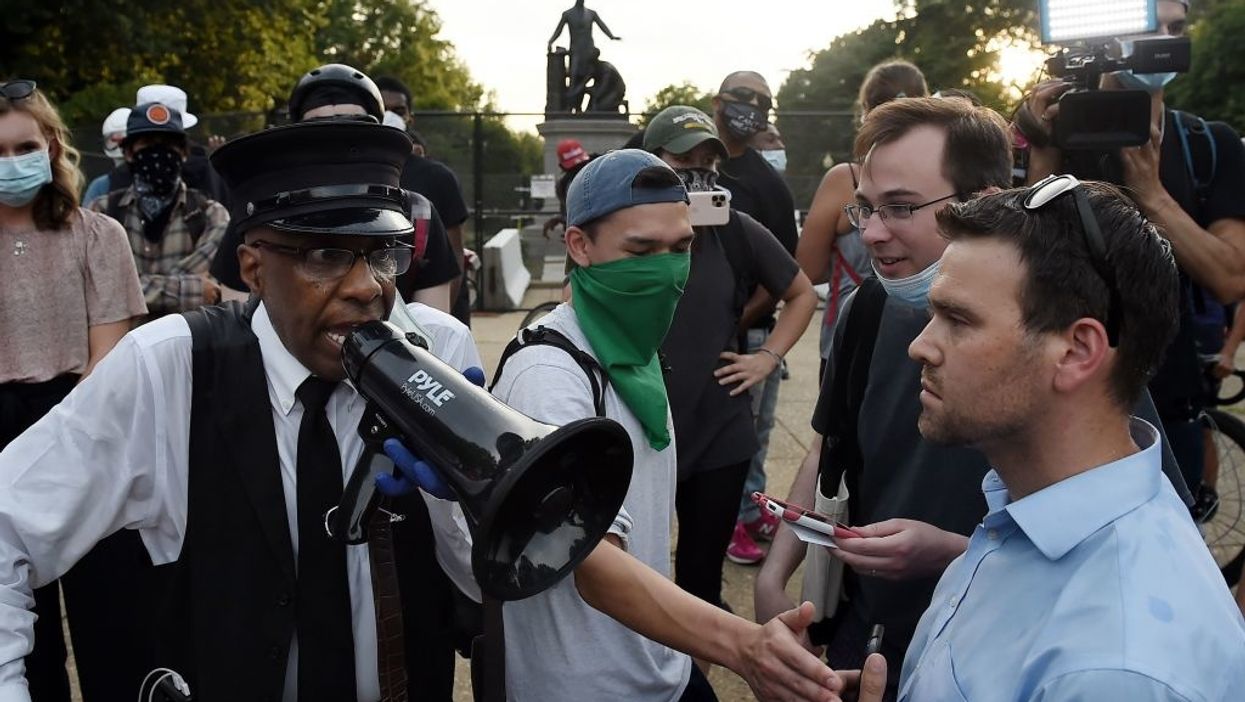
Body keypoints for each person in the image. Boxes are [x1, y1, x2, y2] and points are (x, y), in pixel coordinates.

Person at [0, 120, 481, 701]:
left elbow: (487, 587)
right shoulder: (170, 366)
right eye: (326, 255)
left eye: (383, 255)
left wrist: (471, 497)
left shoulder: (438, 353)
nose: (366, 287)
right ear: (254, 270)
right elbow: (10, 528)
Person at [754, 97, 1190, 700]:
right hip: (870, 637)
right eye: (865, 208)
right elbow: (831, 441)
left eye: (901, 207)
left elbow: (1127, 531)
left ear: (982, 198)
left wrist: (954, 553)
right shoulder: (866, 310)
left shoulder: (1056, 329)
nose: (872, 232)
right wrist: (776, 578)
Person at [490, 149, 843, 702]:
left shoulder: (634, 353)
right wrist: (745, 647)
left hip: (657, 667)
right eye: (641, 250)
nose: (665, 269)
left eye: (681, 248)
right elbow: (594, 562)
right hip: (588, 686)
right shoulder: (549, 374)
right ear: (580, 246)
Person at [898, 177, 1245, 701]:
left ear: (1077, 352)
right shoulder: (1032, 510)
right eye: (933, 314)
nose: (919, 347)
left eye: (957, 319)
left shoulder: (1115, 669)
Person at [1018, 0, 1245, 517]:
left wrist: (1151, 192)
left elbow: (1232, 277)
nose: (1165, 37)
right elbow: (1029, 265)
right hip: (1064, 401)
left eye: (1176, 26)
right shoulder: (1053, 136)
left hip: (1173, 401)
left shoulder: (1212, 146)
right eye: (1149, 23)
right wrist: (1046, 154)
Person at [740, 61, 927, 564]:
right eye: (868, 213)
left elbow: (809, 267)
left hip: (857, 336)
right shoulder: (935, 173)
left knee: (844, 448)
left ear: (863, 112)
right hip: (909, 329)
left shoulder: (845, 178)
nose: (877, 229)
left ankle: (847, 549)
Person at [0, 78, 147, 702]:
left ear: (54, 145)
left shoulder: (99, 236)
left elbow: (108, 352)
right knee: (18, 627)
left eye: (24, 147)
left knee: (111, 615)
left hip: (83, 425)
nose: (12, 164)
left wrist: (67, 445)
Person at [643, 106, 817, 593]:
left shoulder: (735, 230)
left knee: (701, 574)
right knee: (638, 569)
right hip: (644, 427)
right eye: (684, 161)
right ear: (650, 163)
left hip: (719, 429)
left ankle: (695, 654)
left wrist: (767, 357)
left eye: (708, 163)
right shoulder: (625, 231)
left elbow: (801, 292)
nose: (699, 173)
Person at [208, 65, 462, 312]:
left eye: (354, 125)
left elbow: (432, 331)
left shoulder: (418, 216)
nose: (336, 139)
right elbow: (239, 323)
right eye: (319, 129)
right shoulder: (259, 215)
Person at [709, 70, 801, 571]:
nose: (751, 106)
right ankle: (731, 517)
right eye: (742, 97)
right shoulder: (684, 165)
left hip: (750, 336)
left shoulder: (768, 186)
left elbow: (785, 274)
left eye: (762, 100)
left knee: (754, 433)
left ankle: (746, 512)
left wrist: (737, 322)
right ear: (717, 101)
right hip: (682, 335)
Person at [89, 102, 228, 318]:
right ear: (128, 153)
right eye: (147, 143)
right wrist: (190, 290)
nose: (158, 153)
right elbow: (99, 288)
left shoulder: (211, 216)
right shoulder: (103, 213)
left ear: (183, 153)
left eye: (168, 144)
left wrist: (130, 286)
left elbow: (212, 291)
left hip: (191, 349)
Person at [375, 76, 473, 324]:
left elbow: (454, 254)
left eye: (398, 110)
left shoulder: (438, 178)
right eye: (383, 109)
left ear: (410, 117)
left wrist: (438, 326)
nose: (390, 116)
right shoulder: (352, 176)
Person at [546, 0, 622, 111]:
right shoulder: (568, 14)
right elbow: (559, 29)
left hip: (589, 52)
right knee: (574, 79)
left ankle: (580, 109)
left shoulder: (591, 13)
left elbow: (601, 25)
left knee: (586, 78)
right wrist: (551, 41)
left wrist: (611, 36)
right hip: (576, 52)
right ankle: (571, 106)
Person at [81, 106, 129, 205]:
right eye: (114, 140)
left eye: (126, 140)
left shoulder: (152, 183)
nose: (120, 147)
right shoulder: (101, 186)